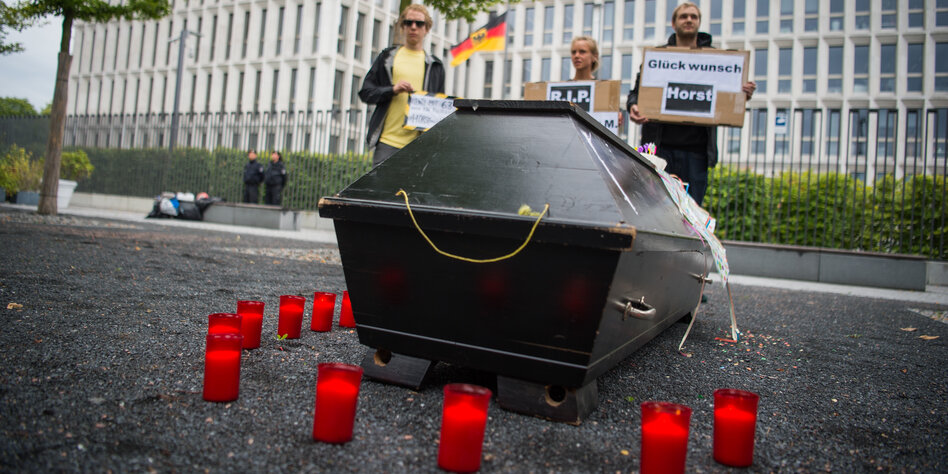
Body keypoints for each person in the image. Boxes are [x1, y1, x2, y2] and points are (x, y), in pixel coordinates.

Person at [626, 2, 756, 206]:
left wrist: (741, 94)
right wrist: (633, 106)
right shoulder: (656, 58)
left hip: (697, 153)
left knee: (691, 211)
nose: (689, 20)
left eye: (693, 17)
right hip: (660, 149)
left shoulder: (718, 60)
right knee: (654, 208)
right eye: (684, 16)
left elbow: (727, 99)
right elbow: (635, 94)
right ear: (673, 23)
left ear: (699, 22)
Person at [359, 3, 445, 166]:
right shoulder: (386, 58)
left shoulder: (436, 66)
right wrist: (392, 89)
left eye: (419, 23)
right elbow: (366, 92)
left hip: (419, 147)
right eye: (408, 22)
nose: (413, 27)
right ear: (402, 26)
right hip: (387, 142)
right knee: (381, 184)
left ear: (427, 29)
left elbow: (439, 110)